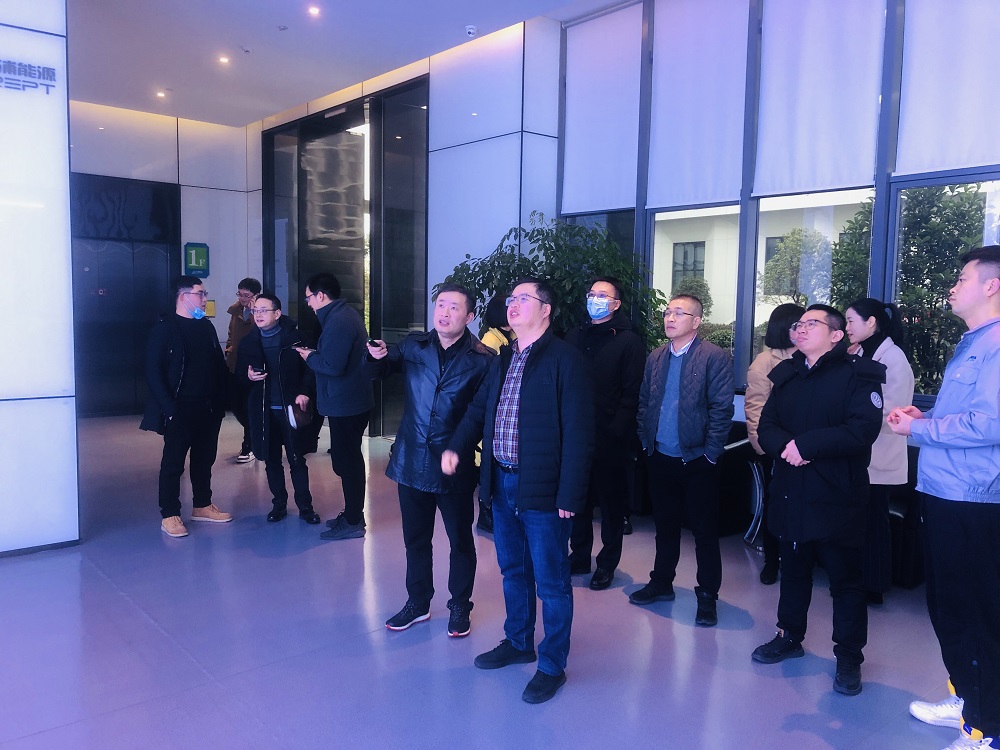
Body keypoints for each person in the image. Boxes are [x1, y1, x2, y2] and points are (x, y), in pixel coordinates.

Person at [442, 277, 594, 705]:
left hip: (544, 489)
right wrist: (456, 446)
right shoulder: (504, 357)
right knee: (513, 571)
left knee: (552, 581)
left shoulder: (565, 359)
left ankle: (552, 665)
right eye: (511, 299)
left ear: (546, 310)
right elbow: (479, 411)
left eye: (523, 299)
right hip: (502, 480)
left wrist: (570, 495)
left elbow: (580, 432)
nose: (512, 305)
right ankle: (518, 641)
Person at [888, 246, 1000, 750]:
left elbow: (990, 424)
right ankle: (967, 699)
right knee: (948, 606)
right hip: (946, 490)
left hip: (972, 499)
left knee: (974, 613)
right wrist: (925, 416)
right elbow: (969, 413)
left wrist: (919, 429)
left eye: (962, 279)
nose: (953, 287)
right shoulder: (975, 341)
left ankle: (988, 727)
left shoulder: (997, 344)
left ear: (991, 285)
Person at [752, 304, 884, 697]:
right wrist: (787, 448)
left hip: (836, 495)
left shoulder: (859, 374)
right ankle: (789, 635)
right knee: (794, 571)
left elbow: (862, 429)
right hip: (791, 489)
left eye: (812, 323)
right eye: (799, 324)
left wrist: (806, 446)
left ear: (836, 335)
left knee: (846, 582)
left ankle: (848, 657)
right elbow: (766, 424)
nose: (801, 329)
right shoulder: (788, 373)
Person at [368, 284, 494, 637]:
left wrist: (457, 447)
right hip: (411, 459)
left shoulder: (483, 359)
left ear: (469, 316)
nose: (444, 312)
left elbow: (479, 413)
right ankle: (418, 602)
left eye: (454, 307)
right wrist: (375, 356)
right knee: (415, 539)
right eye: (441, 305)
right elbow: (380, 370)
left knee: (460, 541)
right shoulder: (414, 345)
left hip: (454, 465)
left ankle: (460, 605)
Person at [631, 294, 735, 627]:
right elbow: (645, 402)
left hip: (697, 458)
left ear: (696, 321)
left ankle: (707, 596)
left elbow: (722, 408)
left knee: (704, 531)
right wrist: (646, 439)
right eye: (667, 312)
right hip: (660, 454)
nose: (670, 318)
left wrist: (711, 452)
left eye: (679, 313)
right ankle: (661, 582)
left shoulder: (714, 356)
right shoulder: (656, 356)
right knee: (665, 525)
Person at [565, 276, 645, 591]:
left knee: (612, 506)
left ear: (616, 304)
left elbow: (632, 394)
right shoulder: (574, 335)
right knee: (578, 500)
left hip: (611, 438)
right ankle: (579, 555)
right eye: (592, 294)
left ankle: (607, 564)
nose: (595, 299)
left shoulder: (628, 341)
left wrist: (616, 431)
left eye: (603, 295)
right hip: (575, 435)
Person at [140, 276, 233, 537]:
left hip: (209, 407)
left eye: (205, 294)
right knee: (173, 463)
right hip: (180, 408)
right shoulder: (165, 329)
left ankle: (202, 505)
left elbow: (218, 366)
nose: (205, 299)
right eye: (200, 294)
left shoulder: (206, 327)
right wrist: (170, 409)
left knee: (204, 459)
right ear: (183, 296)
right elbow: (153, 372)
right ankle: (170, 514)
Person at [845, 297, 915, 604]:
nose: (847, 327)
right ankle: (859, 580)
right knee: (860, 521)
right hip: (861, 453)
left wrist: (853, 415)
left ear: (871, 322)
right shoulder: (860, 352)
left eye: (851, 321)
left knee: (874, 522)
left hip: (882, 454)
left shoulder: (894, 358)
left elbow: (893, 410)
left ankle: (874, 587)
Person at [295, 272, 374, 541]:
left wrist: (309, 357)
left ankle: (353, 520)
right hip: (348, 401)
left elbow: (332, 365)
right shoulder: (342, 315)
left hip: (348, 404)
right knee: (346, 459)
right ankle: (352, 515)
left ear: (321, 296)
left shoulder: (339, 321)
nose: (308, 303)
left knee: (347, 462)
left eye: (309, 298)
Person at [237, 293, 320, 525]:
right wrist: (248, 376)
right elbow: (238, 376)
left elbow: (310, 369)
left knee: (296, 458)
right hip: (263, 410)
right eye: (256, 310)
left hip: (290, 409)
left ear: (277, 313)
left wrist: (304, 391)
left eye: (264, 310)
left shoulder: (296, 338)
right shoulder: (248, 342)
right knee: (271, 460)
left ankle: (306, 507)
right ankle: (279, 504)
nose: (258, 315)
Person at [744, 303, 805, 585]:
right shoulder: (765, 362)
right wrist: (766, 448)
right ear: (783, 328)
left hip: (806, 448)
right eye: (797, 325)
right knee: (775, 505)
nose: (802, 330)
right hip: (775, 448)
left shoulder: (811, 355)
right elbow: (755, 410)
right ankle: (771, 561)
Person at [474, 292, 516, 533]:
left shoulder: (510, 335)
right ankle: (485, 514)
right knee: (487, 467)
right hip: (492, 409)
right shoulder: (491, 341)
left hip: (504, 411)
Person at [225, 277, 261, 463]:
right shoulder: (235, 311)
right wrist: (229, 349)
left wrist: (254, 313)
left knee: (249, 407)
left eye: (246, 295)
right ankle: (256, 436)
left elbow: (261, 333)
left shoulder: (261, 311)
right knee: (236, 405)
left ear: (256, 295)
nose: (242, 298)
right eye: (240, 294)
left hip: (252, 366)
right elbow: (231, 334)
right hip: (235, 364)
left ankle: (250, 445)